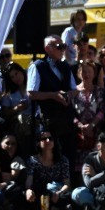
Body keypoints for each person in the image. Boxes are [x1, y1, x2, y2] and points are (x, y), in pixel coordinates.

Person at [28, 35, 77, 174]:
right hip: (48, 120)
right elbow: (31, 93)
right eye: (59, 46)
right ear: (47, 48)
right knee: (49, 154)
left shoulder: (65, 66)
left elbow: (74, 90)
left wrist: (67, 95)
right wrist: (53, 95)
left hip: (66, 118)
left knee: (69, 153)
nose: (62, 49)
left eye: (64, 46)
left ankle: (68, 186)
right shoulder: (37, 66)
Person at [25, 131, 72, 210]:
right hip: (40, 192)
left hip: (57, 191)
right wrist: (28, 190)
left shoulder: (63, 160)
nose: (47, 141)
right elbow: (29, 180)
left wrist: (58, 193)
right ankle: (56, 208)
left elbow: (67, 184)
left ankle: (55, 207)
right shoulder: (32, 160)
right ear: (38, 143)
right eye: (43, 139)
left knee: (67, 195)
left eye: (50, 139)